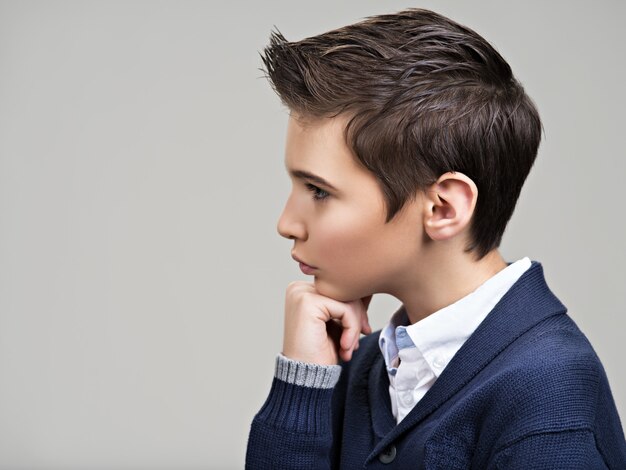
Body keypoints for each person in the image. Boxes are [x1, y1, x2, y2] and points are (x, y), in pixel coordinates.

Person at [245, 8, 626, 469]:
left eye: (319, 191)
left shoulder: (548, 396)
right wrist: (302, 385)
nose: (286, 222)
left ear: (443, 208)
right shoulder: (361, 367)